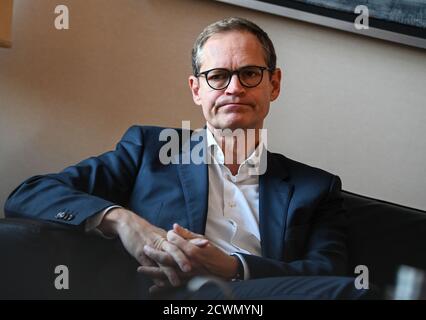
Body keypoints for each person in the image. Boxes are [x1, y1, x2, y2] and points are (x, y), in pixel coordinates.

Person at [4, 17, 371, 299]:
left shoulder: (316, 188)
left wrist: (232, 267)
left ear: (273, 84)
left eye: (249, 73)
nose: (234, 88)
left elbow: (329, 273)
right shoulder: (149, 149)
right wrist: (124, 222)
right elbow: (29, 193)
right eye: (217, 76)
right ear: (196, 89)